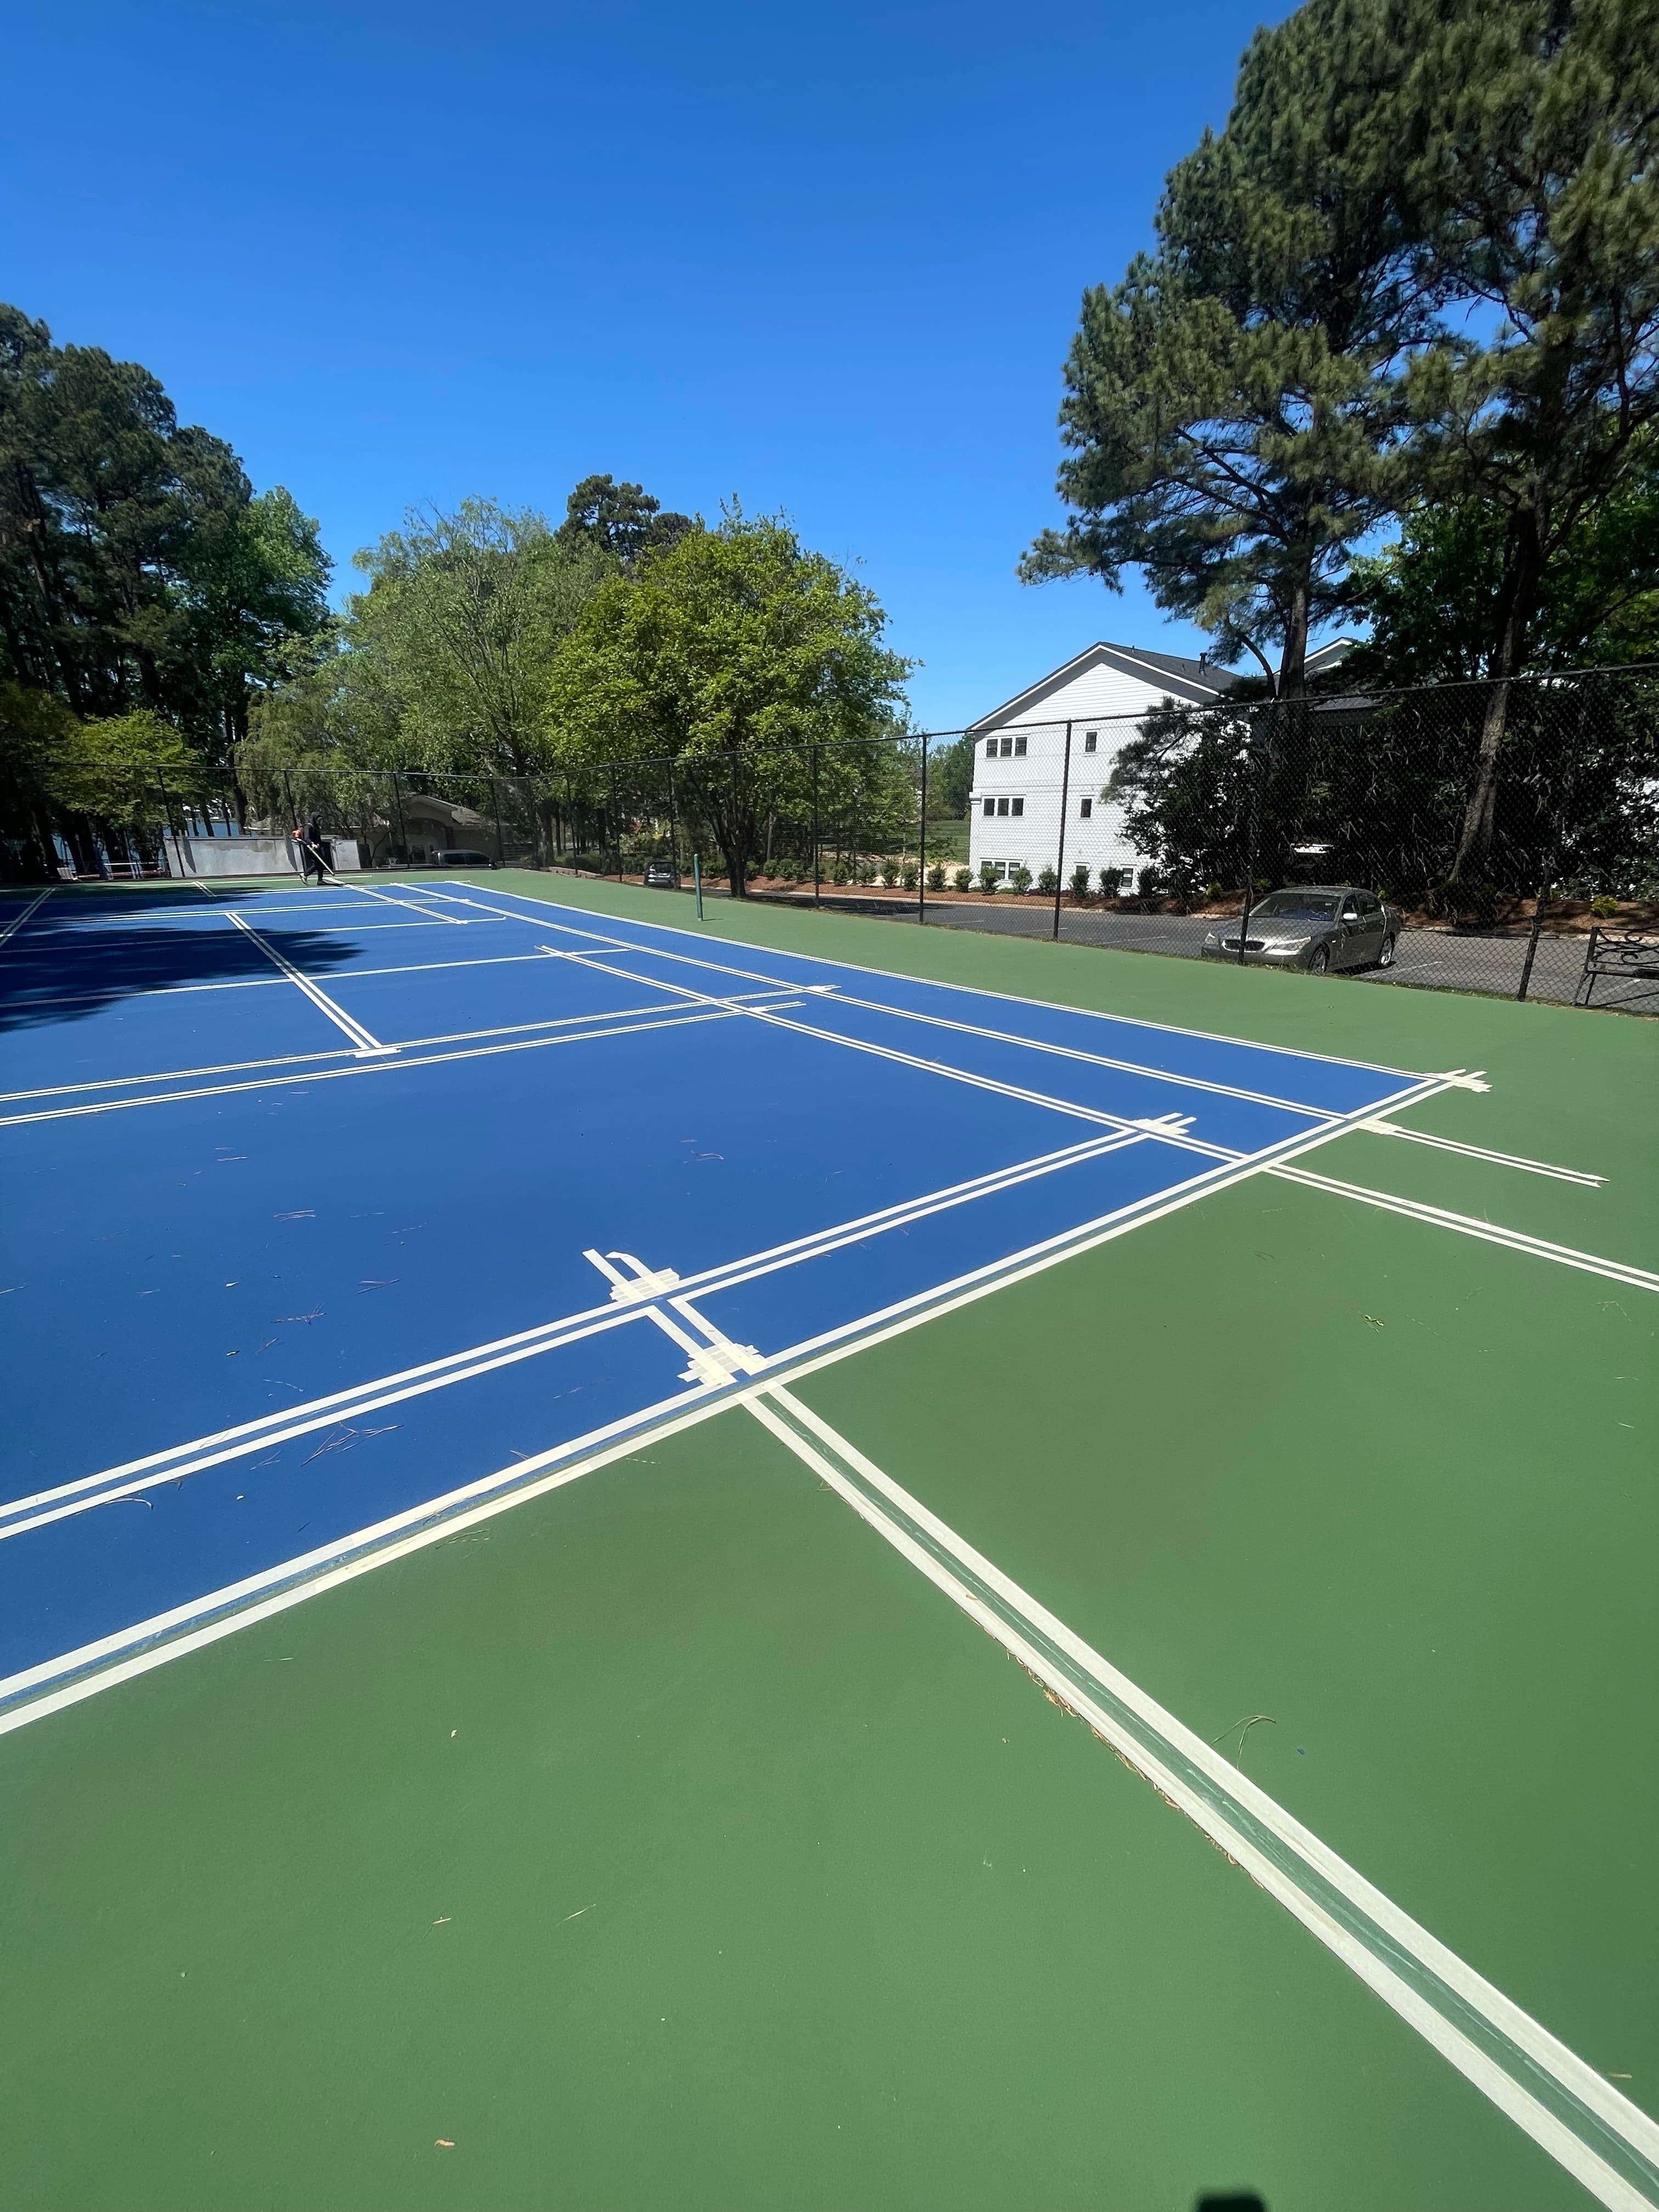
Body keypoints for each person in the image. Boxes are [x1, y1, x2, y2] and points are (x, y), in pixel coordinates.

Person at [302, 815, 328, 885]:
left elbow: (318, 839)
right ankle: (305, 875)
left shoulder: (317, 828)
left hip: (317, 848)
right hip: (310, 849)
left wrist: (319, 844)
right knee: (315, 864)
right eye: (319, 820)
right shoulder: (308, 827)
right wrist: (312, 844)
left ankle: (320, 880)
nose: (320, 822)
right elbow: (307, 838)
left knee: (322, 863)